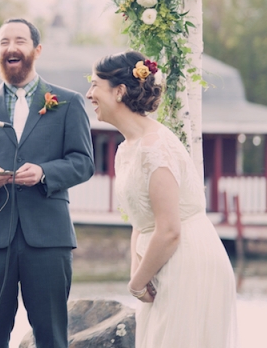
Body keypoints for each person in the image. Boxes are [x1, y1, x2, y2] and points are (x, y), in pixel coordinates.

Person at [0, 18, 95, 348]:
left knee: (51, 338)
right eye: (3, 42)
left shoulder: (68, 102)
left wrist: (45, 173)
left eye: (19, 41)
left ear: (37, 49)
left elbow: (84, 162)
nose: (11, 48)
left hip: (48, 238)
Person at [86, 50, 237, 348]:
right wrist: (137, 270)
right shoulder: (127, 148)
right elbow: (140, 221)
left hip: (187, 261)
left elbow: (168, 230)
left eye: (95, 85)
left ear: (118, 92)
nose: (89, 94)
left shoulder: (156, 147)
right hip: (157, 264)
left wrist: (137, 282)